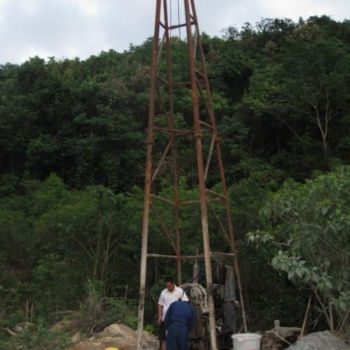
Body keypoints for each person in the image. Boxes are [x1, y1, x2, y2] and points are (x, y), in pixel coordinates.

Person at [158, 277, 189, 350]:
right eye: (166, 286)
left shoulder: (180, 291)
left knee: (176, 339)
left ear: (173, 284)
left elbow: (186, 304)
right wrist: (159, 316)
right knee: (163, 339)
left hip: (175, 320)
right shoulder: (163, 292)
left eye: (169, 286)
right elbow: (160, 305)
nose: (168, 288)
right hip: (165, 318)